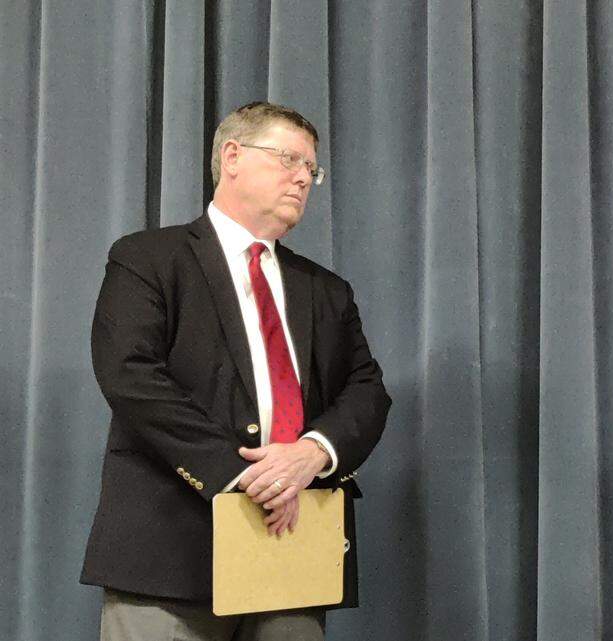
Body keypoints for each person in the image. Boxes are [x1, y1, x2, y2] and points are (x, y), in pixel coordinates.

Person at [81, 101, 391, 641]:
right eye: (288, 159)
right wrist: (243, 473)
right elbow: (131, 373)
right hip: (169, 550)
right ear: (232, 157)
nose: (303, 178)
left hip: (291, 546)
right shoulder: (147, 258)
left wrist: (313, 452)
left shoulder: (326, 289)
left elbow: (367, 390)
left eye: (310, 169)